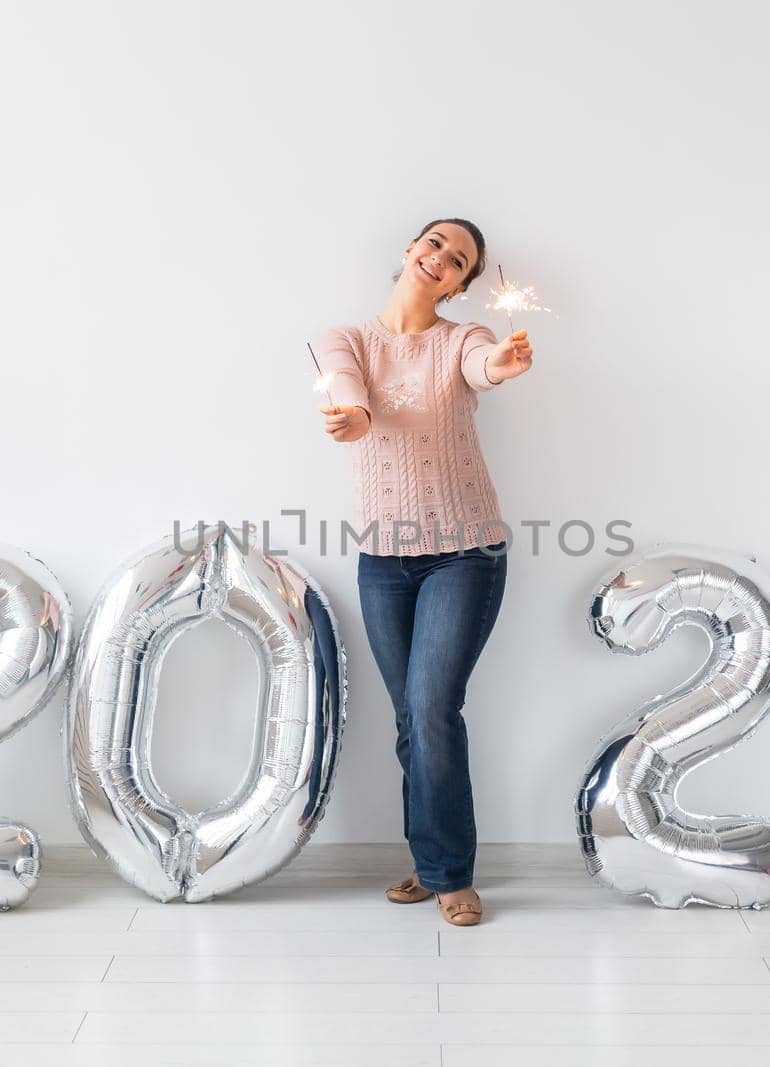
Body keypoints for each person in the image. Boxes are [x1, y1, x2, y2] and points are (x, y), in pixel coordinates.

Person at [311, 218, 534, 926]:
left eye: (458, 260)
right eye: (435, 243)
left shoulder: (462, 339)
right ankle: (431, 858)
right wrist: (351, 413)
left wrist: (503, 363)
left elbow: (482, 369)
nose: (441, 258)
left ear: (463, 284)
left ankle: (449, 874)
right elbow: (349, 387)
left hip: (465, 554)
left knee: (433, 707)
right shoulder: (344, 339)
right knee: (413, 717)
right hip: (383, 561)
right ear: (411, 249)